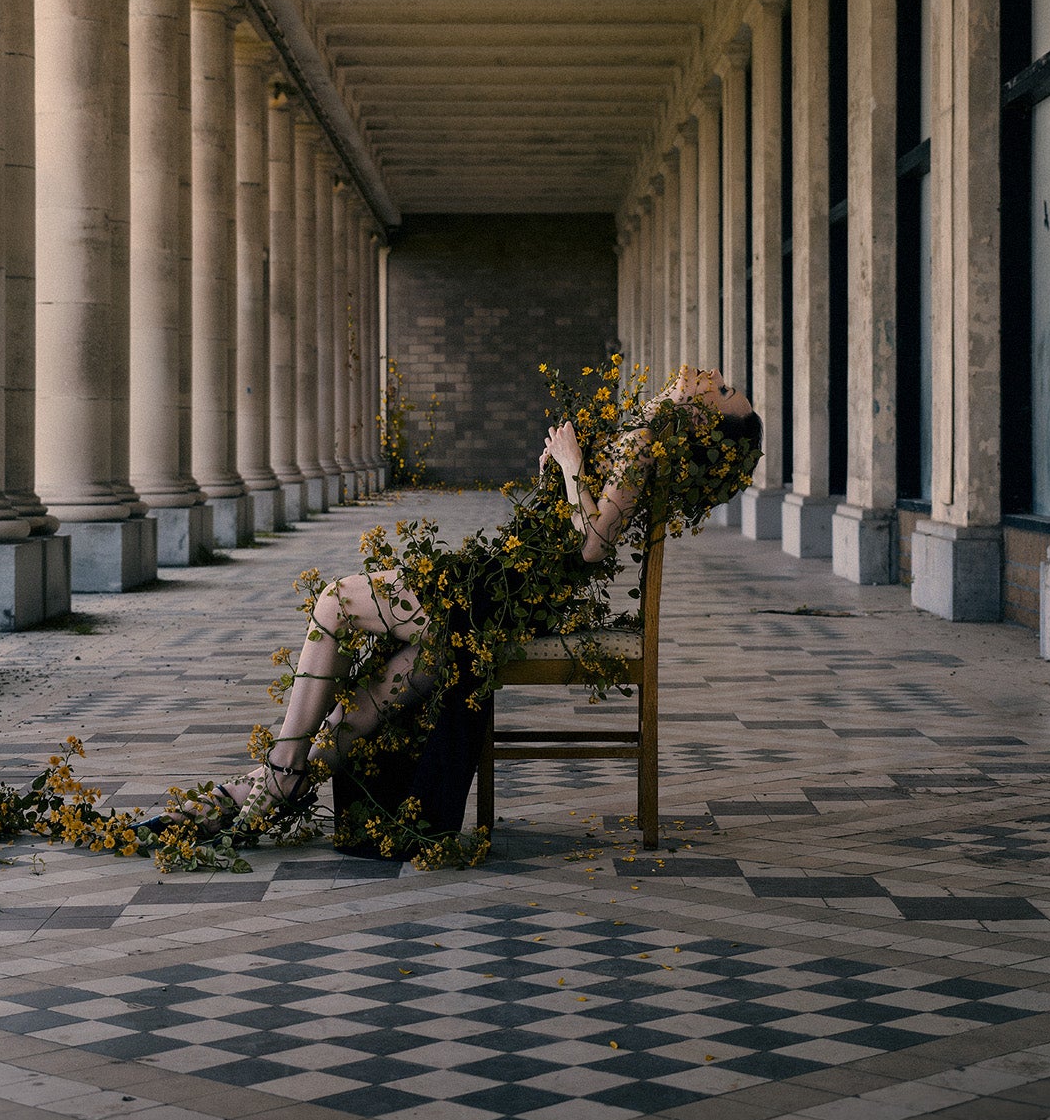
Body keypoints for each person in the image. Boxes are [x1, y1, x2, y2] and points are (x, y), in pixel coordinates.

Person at [151, 365, 762, 858]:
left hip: (502, 599)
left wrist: (575, 465)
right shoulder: (640, 440)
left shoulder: (644, 448)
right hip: (510, 592)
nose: (712, 377)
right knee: (371, 703)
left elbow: (589, 548)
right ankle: (253, 795)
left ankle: (280, 770)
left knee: (334, 600)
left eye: (725, 392)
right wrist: (557, 475)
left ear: (704, 421)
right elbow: (575, 532)